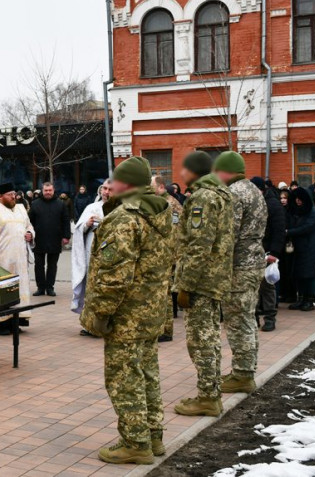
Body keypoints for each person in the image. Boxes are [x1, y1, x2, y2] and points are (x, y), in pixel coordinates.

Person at [80, 157, 173, 465]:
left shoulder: (125, 218)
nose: (109, 186)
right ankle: (153, 436)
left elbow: (114, 277)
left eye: (115, 181)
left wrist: (100, 314)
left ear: (127, 184)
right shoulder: (159, 212)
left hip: (126, 315)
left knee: (123, 377)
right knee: (147, 374)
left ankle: (135, 443)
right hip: (151, 311)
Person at [173, 151, 234, 417]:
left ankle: (208, 397)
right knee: (209, 337)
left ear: (194, 170)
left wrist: (186, 284)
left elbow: (199, 245)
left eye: (184, 168)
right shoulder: (220, 194)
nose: (181, 173)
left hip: (201, 281)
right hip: (213, 277)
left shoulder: (203, 197)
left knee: (201, 340)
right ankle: (211, 393)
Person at [213, 152, 267, 395]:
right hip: (254, 262)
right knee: (247, 317)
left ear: (226, 171)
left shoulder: (234, 193)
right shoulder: (254, 190)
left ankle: (243, 375)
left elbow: (228, 234)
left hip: (239, 266)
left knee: (238, 320)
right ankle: (244, 370)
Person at [0, 182, 35, 335]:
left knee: (18, 289)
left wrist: (30, 234)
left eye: (14, 194)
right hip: (1, 260)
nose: (13, 197)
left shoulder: (21, 209)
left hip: (20, 259)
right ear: (0, 196)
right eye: (10, 195)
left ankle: (15, 321)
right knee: (2, 291)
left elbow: (29, 226)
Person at [251, 177, 286, 332]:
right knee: (252, 286)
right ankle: (254, 317)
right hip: (251, 251)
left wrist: (274, 252)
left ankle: (270, 318)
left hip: (267, 251)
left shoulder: (273, 205)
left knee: (267, 286)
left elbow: (279, 230)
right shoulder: (253, 203)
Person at [151, 175, 182, 343]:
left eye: (152, 186)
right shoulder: (167, 202)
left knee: (165, 294)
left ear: (161, 187)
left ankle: (166, 330)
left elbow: (172, 231)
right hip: (168, 253)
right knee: (165, 293)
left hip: (166, 254)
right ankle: (164, 329)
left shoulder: (166, 204)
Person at [29, 182, 70, 297]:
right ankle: (40, 288)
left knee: (52, 265)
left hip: (55, 239)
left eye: (50, 190)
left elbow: (65, 221)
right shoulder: (35, 204)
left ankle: (50, 287)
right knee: (38, 265)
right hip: (38, 239)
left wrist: (66, 236)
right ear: (42, 191)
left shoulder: (60, 204)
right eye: (46, 190)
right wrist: (29, 234)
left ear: (53, 190)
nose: (48, 192)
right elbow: (29, 221)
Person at [71, 188, 105, 322]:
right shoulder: (92, 207)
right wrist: (87, 224)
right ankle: (90, 322)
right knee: (91, 288)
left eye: (110, 189)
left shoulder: (120, 207)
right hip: (91, 254)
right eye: (104, 189)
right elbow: (79, 228)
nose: (106, 192)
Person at [286, 188, 315, 312]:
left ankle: (309, 300)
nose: (298, 201)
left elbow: (307, 227)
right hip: (298, 248)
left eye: (300, 199)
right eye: (296, 199)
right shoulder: (296, 211)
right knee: (298, 275)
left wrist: (288, 232)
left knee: (309, 275)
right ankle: (301, 299)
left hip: (310, 247)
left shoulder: (314, 212)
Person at [277, 188, 296, 304]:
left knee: (290, 269)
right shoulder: (280, 210)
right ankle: (284, 293)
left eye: (285, 198)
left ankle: (291, 293)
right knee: (282, 269)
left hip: (290, 243)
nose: (283, 200)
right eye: (281, 198)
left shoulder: (292, 211)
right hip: (282, 243)